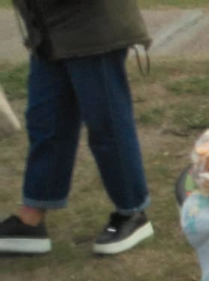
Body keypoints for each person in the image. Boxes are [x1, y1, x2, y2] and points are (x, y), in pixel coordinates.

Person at [1, 0, 154, 256]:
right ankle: (31, 218)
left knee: (107, 124)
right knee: (46, 122)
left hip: (93, 31)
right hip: (49, 33)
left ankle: (132, 212)